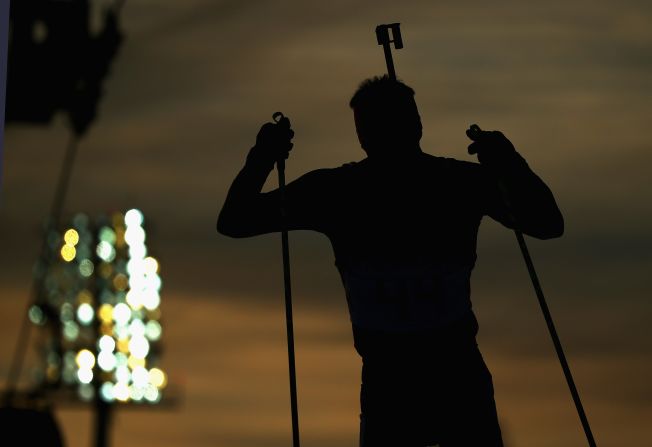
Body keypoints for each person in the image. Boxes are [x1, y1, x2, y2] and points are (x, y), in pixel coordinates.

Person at [217, 75, 564, 446]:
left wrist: (263, 157)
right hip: (452, 379)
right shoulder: (459, 184)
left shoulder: (337, 192)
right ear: (416, 124)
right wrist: (510, 164)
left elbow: (236, 220)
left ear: (362, 135)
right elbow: (546, 223)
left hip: (393, 384)